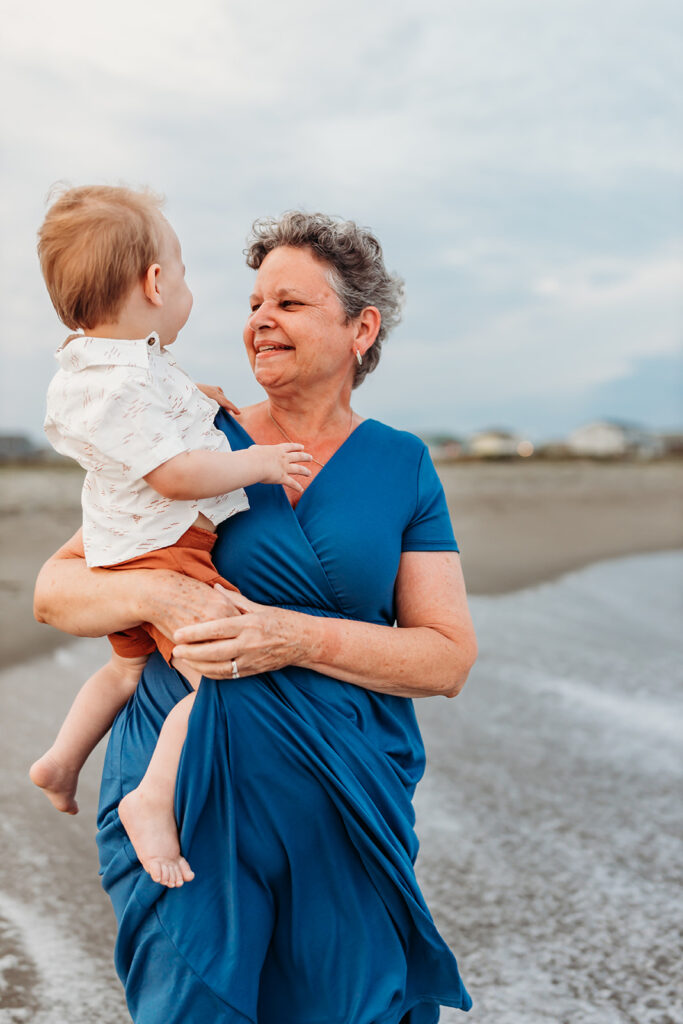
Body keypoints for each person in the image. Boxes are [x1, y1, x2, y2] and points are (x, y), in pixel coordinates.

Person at [34, 210, 478, 1023]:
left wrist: (293, 637)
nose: (259, 322)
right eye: (252, 303)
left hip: (347, 808)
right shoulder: (192, 441)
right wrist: (160, 598)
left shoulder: (401, 465)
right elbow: (56, 589)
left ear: (360, 328)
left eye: (290, 304)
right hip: (186, 809)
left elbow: (446, 658)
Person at [29, 186, 312, 888]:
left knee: (126, 669)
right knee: (221, 683)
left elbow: (155, 407)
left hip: (118, 546)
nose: (186, 285)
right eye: (181, 270)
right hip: (165, 551)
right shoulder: (123, 383)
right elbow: (176, 475)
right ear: (156, 282)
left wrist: (199, 399)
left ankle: (62, 759)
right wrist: (259, 462)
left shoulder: (103, 368)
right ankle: (150, 799)